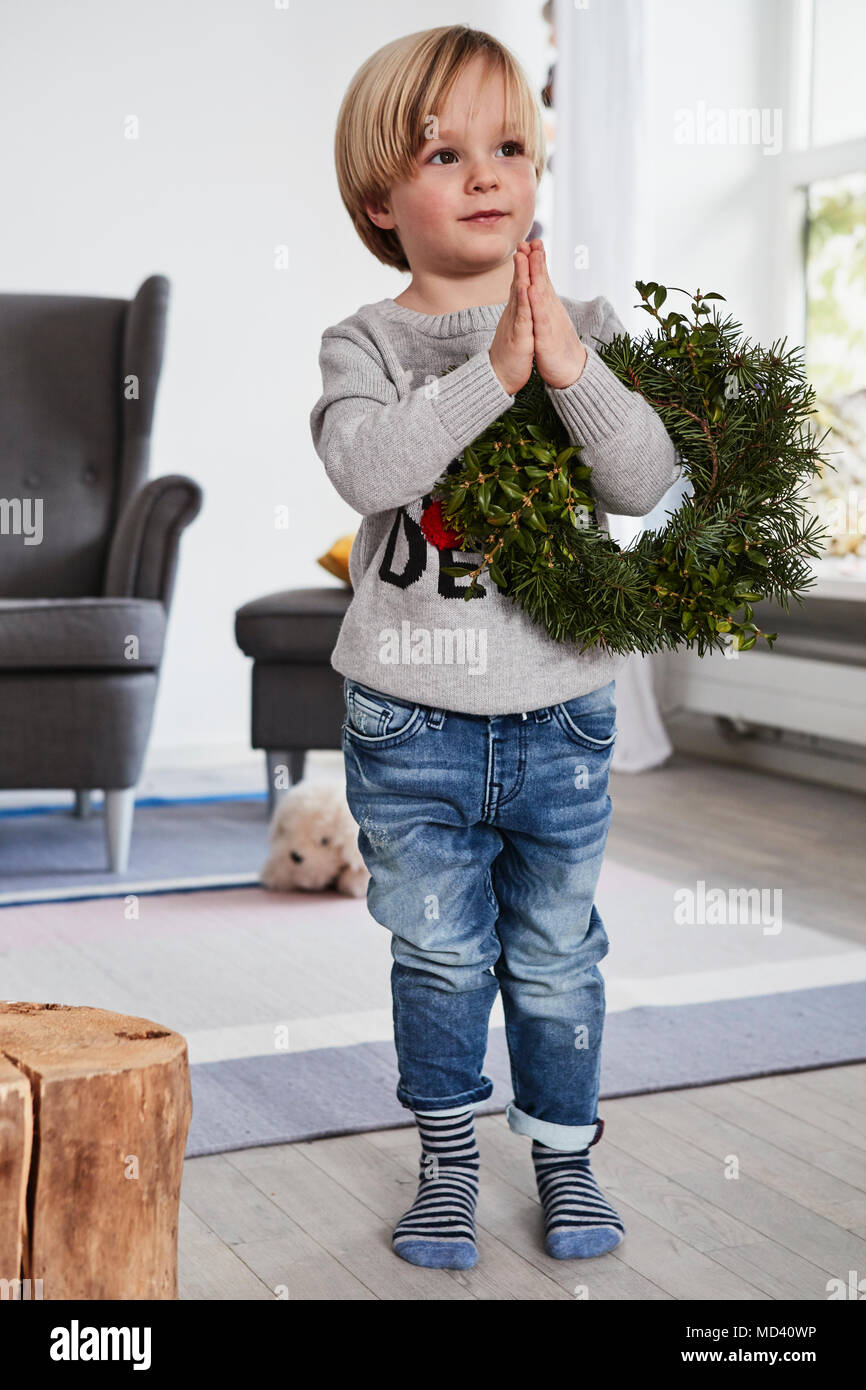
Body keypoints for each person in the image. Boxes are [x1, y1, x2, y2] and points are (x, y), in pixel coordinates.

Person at [309, 24, 681, 1270]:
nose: (486, 174)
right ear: (379, 196)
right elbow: (368, 464)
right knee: (437, 950)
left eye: (509, 146)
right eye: (445, 151)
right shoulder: (364, 341)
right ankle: (448, 1159)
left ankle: (565, 1160)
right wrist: (491, 373)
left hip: (561, 713)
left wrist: (563, 367)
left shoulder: (579, 322)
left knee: (558, 952)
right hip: (407, 721)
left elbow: (640, 480)